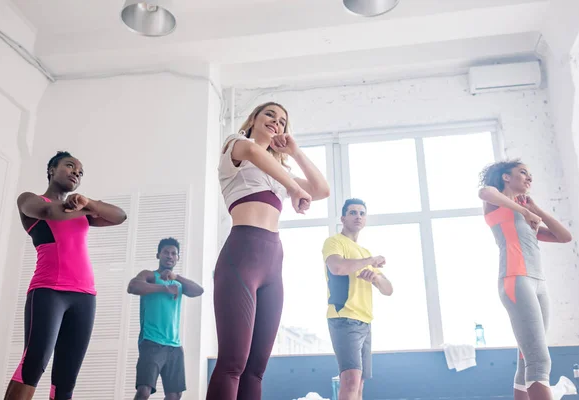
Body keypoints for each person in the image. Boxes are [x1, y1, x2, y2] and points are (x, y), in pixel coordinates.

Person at [206, 102, 330, 399]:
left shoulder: (280, 172)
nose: (276, 122)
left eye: (283, 121)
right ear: (253, 119)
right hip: (241, 257)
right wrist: (293, 188)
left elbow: (321, 190)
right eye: (270, 115)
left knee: (256, 368)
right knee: (233, 362)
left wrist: (295, 152)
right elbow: (252, 152)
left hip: (273, 263)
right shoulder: (235, 146)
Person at [4, 151, 127, 400]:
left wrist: (88, 203)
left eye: (80, 172)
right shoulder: (29, 200)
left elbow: (120, 216)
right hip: (49, 291)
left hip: (85, 297)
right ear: (51, 170)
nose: (75, 173)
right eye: (70, 166)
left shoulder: (82, 211)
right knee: (33, 364)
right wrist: (79, 207)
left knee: (66, 378)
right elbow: (50, 214)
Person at [478, 160, 572, 400]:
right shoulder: (495, 204)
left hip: (538, 283)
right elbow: (484, 191)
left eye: (530, 174)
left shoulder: (528, 217)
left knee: (526, 360)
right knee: (539, 360)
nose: (529, 178)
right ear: (506, 177)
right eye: (522, 173)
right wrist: (525, 211)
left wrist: (536, 209)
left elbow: (564, 237)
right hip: (515, 280)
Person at [322, 198, 393, 400]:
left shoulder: (363, 252)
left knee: (359, 383)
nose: (358, 216)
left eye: (362, 213)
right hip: (344, 317)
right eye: (353, 212)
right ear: (343, 218)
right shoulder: (334, 242)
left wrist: (375, 277)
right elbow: (337, 267)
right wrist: (370, 262)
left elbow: (388, 290)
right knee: (351, 379)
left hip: (365, 320)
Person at [127, 237, 204, 400]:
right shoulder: (149, 275)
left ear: (177, 258)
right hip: (151, 342)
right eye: (166, 252)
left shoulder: (179, 283)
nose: (170, 256)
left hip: (174, 346)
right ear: (158, 255)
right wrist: (164, 288)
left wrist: (175, 277)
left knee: (175, 395)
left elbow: (198, 290)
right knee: (144, 391)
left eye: (173, 253)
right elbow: (132, 286)